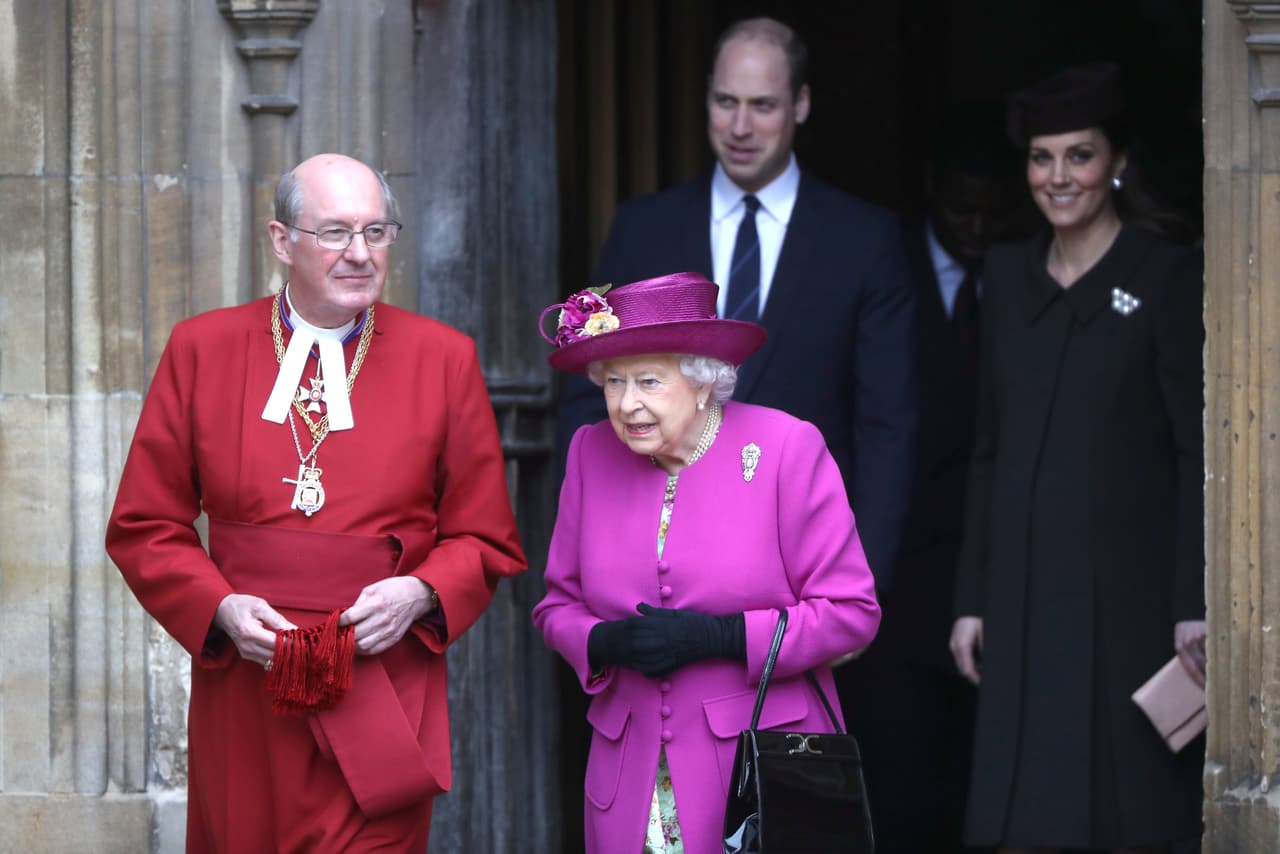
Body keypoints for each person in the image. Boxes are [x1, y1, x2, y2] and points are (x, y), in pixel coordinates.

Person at [105, 153, 527, 852]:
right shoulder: (201, 349)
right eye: (334, 232)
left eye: (377, 232)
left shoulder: (444, 358)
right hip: (248, 690)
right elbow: (145, 524)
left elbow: (485, 538)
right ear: (282, 241)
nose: (360, 253)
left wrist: (420, 592)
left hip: (380, 684)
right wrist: (217, 607)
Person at [559, 16, 916, 588]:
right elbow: (588, 395)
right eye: (726, 102)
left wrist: (859, 579)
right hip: (652, 547)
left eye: (762, 105)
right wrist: (596, 547)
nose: (741, 126)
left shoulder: (865, 239)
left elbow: (888, 426)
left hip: (804, 551)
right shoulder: (643, 228)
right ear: (705, 97)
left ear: (800, 104)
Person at [948, 63, 1206, 853]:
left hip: (1129, 600)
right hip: (1022, 599)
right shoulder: (1004, 278)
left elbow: (1198, 447)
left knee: (1127, 810)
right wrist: (971, 597)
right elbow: (985, 448)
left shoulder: (1164, 275)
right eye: (1041, 157)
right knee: (1025, 813)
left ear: (1116, 162)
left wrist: (1195, 600)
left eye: (1079, 155)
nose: (1058, 177)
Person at [533, 272, 881, 854]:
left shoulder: (784, 449)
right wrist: (606, 642)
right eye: (613, 382)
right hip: (631, 779)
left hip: (759, 773)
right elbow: (556, 607)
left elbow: (852, 612)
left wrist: (722, 636)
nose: (627, 404)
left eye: (649, 381)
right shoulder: (590, 452)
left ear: (701, 382)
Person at [837, 100, 1031, 854]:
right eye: (961, 209)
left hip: (1000, 567)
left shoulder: (1026, 272)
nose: (977, 229)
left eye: (993, 211)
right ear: (930, 189)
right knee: (904, 782)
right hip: (901, 565)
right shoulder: (884, 265)